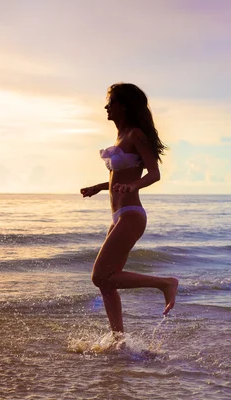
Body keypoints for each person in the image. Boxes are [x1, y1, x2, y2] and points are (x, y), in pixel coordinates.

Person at [80, 83, 178, 333]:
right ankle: (118, 339)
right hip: (118, 216)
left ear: (123, 106)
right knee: (107, 282)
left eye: (111, 102)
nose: (106, 106)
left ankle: (165, 283)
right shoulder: (119, 137)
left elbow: (154, 173)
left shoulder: (136, 135)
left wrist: (134, 185)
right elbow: (120, 177)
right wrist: (100, 187)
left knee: (99, 276)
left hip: (132, 215)